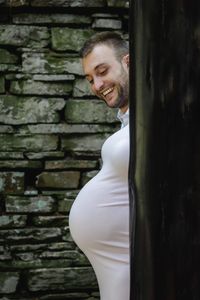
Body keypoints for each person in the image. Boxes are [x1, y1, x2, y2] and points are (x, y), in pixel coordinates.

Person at [69, 31, 130, 300]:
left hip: (132, 260)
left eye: (102, 71)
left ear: (129, 62)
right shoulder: (127, 122)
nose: (96, 85)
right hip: (115, 262)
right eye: (90, 79)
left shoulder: (161, 116)